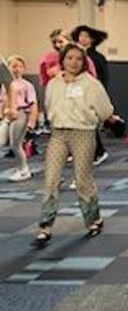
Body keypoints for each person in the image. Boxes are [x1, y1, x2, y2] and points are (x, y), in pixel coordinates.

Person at [33, 44, 114, 247]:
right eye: (69, 58)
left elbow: (105, 110)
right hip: (58, 134)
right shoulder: (54, 83)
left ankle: (93, 219)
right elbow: (49, 105)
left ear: (84, 62)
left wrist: (90, 119)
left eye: (78, 59)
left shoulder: (91, 84)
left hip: (83, 133)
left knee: (82, 178)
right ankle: (45, 225)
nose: (74, 62)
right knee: (51, 178)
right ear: (63, 60)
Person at [73, 25, 110, 166]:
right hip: (75, 93)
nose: (83, 39)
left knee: (90, 125)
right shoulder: (74, 55)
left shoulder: (97, 57)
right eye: (81, 36)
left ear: (93, 40)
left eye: (87, 36)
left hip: (91, 94)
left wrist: (100, 96)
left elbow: (103, 78)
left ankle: (99, 152)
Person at [0, 56, 38, 181]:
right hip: (7, 116)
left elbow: (33, 104)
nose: (17, 69)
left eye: (20, 66)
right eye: (14, 66)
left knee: (15, 144)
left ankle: (23, 169)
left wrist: (32, 121)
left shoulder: (27, 85)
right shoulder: (5, 85)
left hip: (21, 114)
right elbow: (3, 100)